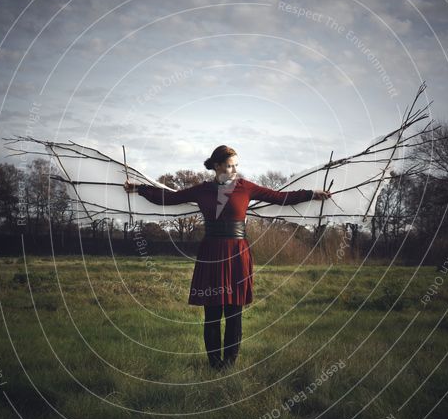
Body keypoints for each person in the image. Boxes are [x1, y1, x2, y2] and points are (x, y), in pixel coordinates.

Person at [124, 145, 331, 370]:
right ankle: (214, 364)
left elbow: (281, 197)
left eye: (236, 165)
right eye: (230, 165)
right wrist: (139, 189)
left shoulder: (246, 187)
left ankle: (229, 364)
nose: (234, 170)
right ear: (217, 166)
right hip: (211, 253)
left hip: (237, 255)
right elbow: (169, 198)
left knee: (234, 312)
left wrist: (312, 193)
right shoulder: (202, 190)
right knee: (212, 312)